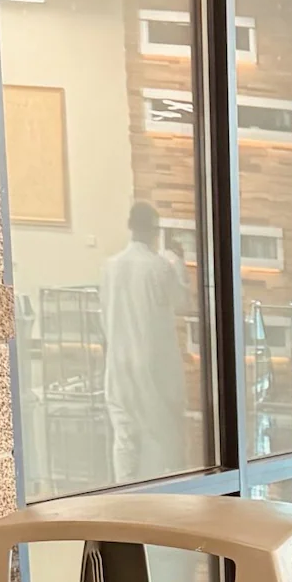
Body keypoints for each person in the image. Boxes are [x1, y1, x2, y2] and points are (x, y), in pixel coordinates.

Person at [98, 201, 192, 482]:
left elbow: (104, 315)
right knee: (164, 431)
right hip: (153, 363)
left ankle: (125, 494)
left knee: (124, 434)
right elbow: (183, 301)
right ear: (154, 230)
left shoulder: (110, 267)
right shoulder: (159, 267)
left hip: (118, 361)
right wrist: (179, 264)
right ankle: (169, 492)